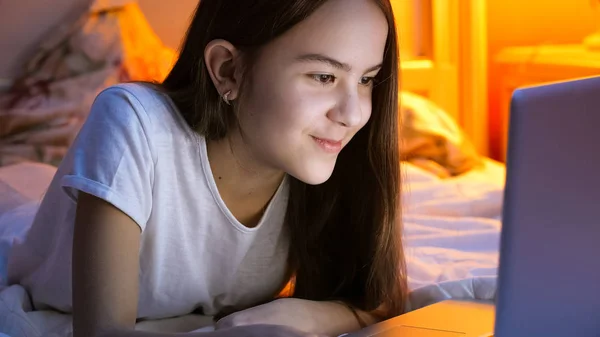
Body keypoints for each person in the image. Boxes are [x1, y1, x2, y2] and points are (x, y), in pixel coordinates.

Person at [7, 0, 408, 336]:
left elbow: (379, 297)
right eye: (323, 76)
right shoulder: (132, 121)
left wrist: (307, 314)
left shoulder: (319, 162)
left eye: (368, 79)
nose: (353, 114)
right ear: (227, 70)